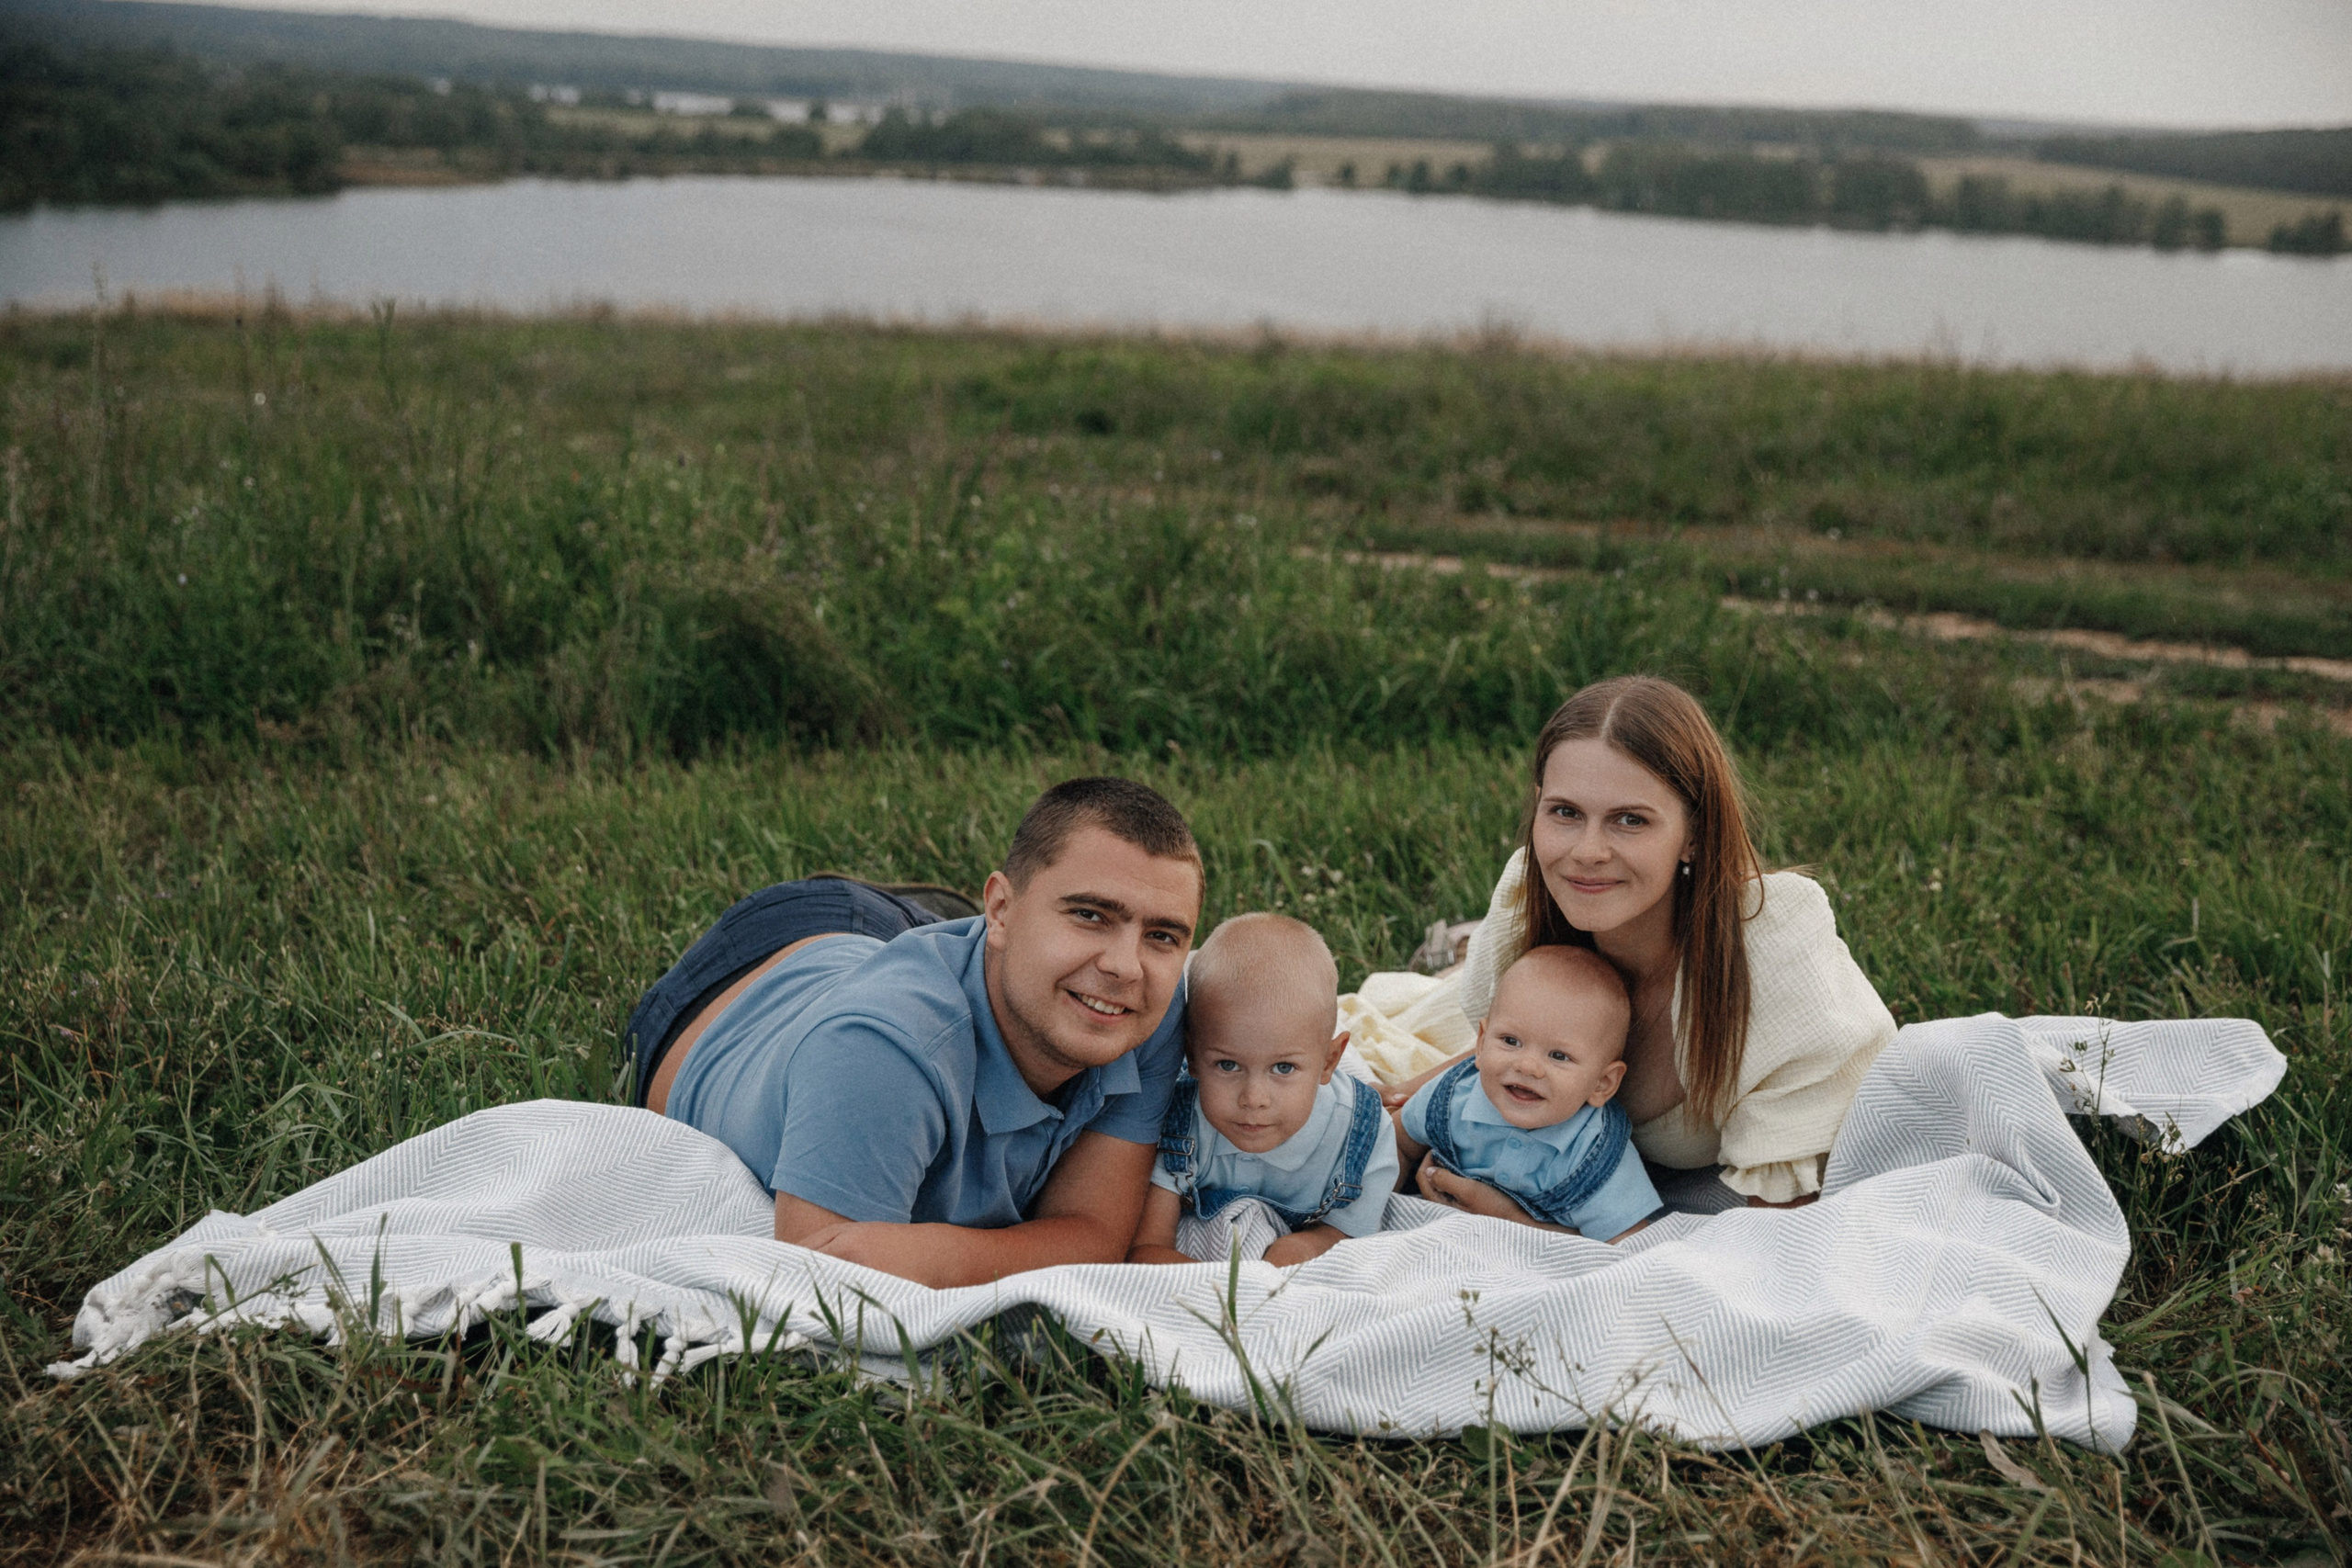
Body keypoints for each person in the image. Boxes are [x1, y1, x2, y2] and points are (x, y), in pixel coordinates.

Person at [628, 777, 1202, 1288]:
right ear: (1000, 909)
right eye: (1090, 915)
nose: (1127, 966)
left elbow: (1096, 1235)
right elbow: (826, 1286)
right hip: (762, 960)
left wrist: (942, 1255)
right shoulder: (877, 1053)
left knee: (988, 963)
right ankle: (901, 911)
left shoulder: (1139, 1009)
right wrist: (1008, 1252)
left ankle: (932, 920)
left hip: (916, 960)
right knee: (916, 971)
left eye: (1163, 935)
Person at [1359, 674, 1897, 1214]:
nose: (1588, 852)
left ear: (1693, 833)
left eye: (1630, 820)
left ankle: (1455, 948)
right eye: (1566, 812)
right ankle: (1457, 951)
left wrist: (1527, 1227)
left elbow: (1777, 1233)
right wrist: (1400, 1109)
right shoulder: (1531, 893)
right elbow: (1506, 1051)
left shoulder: (1773, 955)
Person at [1127, 915, 1397, 1268]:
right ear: (1191, 1056)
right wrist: (1229, 1292)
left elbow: (1349, 1234)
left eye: (1283, 1068)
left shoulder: (1363, 1137)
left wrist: (1305, 1246)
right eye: (1228, 1065)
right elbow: (1147, 1248)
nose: (1254, 1099)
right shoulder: (1173, 1121)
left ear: (1330, 1062)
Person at [1392, 945, 1659, 1241]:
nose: (1528, 1066)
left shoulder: (1593, 1156)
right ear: (1480, 1044)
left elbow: (1627, 1245)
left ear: (1602, 1084)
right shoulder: (1453, 1097)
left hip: (1542, 1264)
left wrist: (1513, 1221)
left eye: (1559, 1056)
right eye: (1511, 1040)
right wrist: (1379, 1206)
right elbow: (1398, 1142)